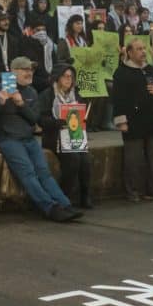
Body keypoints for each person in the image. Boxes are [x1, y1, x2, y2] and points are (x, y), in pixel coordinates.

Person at [0, 56, 82, 222]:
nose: (29, 73)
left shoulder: (31, 92)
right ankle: (49, 207)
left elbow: (34, 118)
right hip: (9, 139)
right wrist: (0, 102)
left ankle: (65, 204)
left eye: (31, 70)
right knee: (28, 174)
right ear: (13, 72)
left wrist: (21, 105)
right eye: (25, 70)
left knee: (44, 173)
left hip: (28, 138)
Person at [112, 37, 153, 202]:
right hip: (133, 120)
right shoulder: (122, 72)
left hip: (152, 119)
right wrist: (121, 121)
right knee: (133, 159)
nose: (143, 52)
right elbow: (118, 99)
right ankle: (132, 191)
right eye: (138, 49)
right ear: (129, 52)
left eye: (144, 48)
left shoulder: (151, 70)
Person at [36, 63, 93, 209]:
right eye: (65, 76)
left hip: (74, 137)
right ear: (57, 78)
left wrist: (84, 119)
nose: (69, 80)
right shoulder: (47, 95)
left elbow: (83, 116)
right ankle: (64, 196)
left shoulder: (77, 95)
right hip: (54, 138)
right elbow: (40, 120)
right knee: (73, 159)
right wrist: (57, 122)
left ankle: (85, 195)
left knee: (86, 159)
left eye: (71, 77)